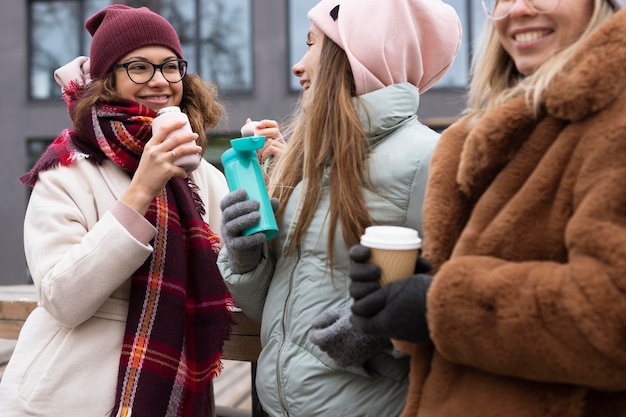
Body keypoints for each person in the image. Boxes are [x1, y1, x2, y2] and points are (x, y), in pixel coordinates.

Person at [347, 0, 626, 416]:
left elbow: (611, 316)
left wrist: (438, 304)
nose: (519, 9)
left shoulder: (614, 123)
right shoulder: (483, 132)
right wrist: (401, 297)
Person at [217, 0, 461, 415]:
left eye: (313, 45)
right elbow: (278, 315)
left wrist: (380, 328)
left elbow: (458, 303)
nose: (298, 66)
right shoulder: (310, 160)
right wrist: (246, 258)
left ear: (358, 57)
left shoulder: (430, 159)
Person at [0, 5, 233, 417]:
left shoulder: (206, 177)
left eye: (170, 66)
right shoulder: (66, 167)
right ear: (108, 79)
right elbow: (62, 299)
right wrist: (142, 190)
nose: (159, 81)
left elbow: (232, 283)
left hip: (173, 396)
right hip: (61, 401)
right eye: (139, 67)